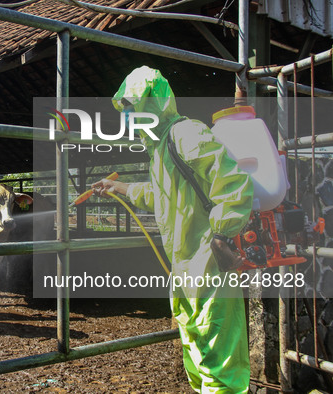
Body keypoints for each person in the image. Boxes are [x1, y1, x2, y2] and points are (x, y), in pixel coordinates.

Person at [92, 66, 254, 393]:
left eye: (132, 108)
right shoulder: (160, 150)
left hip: (208, 261)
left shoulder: (186, 134)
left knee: (219, 359)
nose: (128, 118)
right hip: (184, 266)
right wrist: (117, 187)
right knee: (197, 351)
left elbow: (233, 183)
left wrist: (223, 235)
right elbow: (160, 194)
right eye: (125, 111)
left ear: (154, 103)